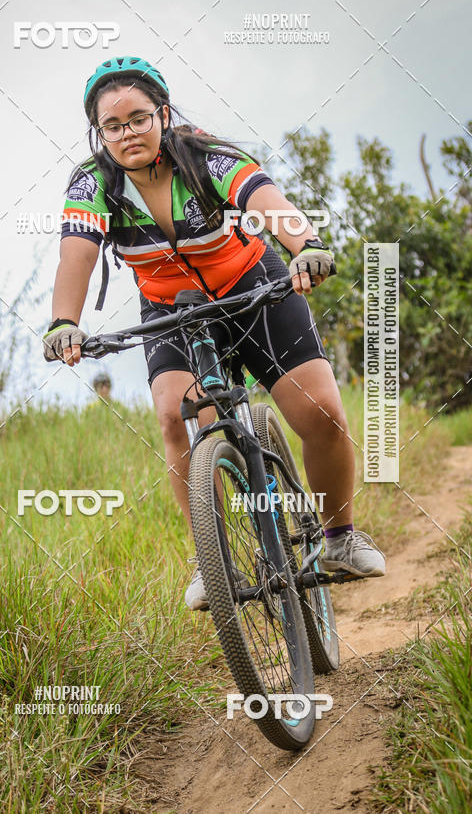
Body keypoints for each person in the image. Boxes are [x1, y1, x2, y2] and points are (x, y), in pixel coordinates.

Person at [42, 55, 385, 610]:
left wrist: (307, 247)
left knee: (320, 410)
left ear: (163, 114)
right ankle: (213, 561)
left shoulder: (206, 157)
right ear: (98, 132)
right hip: (174, 308)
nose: (127, 133)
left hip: (255, 289)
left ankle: (339, 539)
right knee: (173, 417)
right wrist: (64, 322)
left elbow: (269, 203)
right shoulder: (92, 182)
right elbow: (74, 257)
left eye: (139, 118)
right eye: (113, 125)